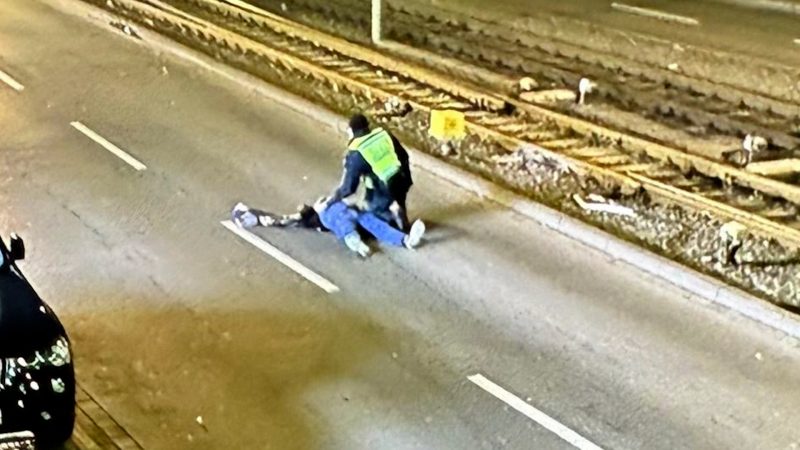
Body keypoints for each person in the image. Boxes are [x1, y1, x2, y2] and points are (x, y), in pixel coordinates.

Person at [231, 200, 425, 258]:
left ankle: (403, 239)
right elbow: (286, 220)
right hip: (341, 215)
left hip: (343, 215)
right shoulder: (323, 215)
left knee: (364, 225)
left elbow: (286, 220)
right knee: (368, 225)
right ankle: (403, 239)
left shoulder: (322, 215)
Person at [325, 114, 413, 230]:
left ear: (351, 131)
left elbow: (349, 187)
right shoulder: (384, 135)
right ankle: (402, 217)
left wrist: (332, 200)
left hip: (384, 184)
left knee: (374, 208)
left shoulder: (357, 152)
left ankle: (393, 222)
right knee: (398, 196)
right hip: (402, 177)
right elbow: (403, 155)